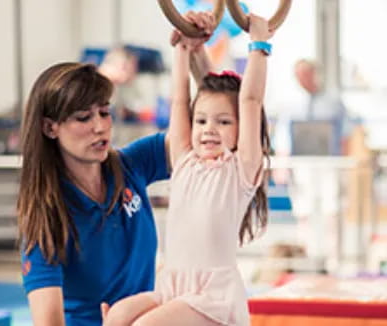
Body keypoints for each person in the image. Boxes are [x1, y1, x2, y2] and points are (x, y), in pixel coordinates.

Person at [101, 11, 272, 326]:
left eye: (223, 122)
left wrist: (259, 44)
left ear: (239, 132)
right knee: (118, 316)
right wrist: (181, 49)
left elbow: (250, 101)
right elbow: (180, 101)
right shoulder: (185, 161)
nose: (209, 129)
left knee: (143, 325)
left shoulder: (240, 171)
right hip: (173, 285)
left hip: (212, 296)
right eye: (202, 120)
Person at [17, 62, 171, 326]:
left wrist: (192, 55)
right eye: (83, 117)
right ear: (50, 128)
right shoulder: (48, 218)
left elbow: (207, 128)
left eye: (104, 112)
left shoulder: (131, 165)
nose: (100, 127)